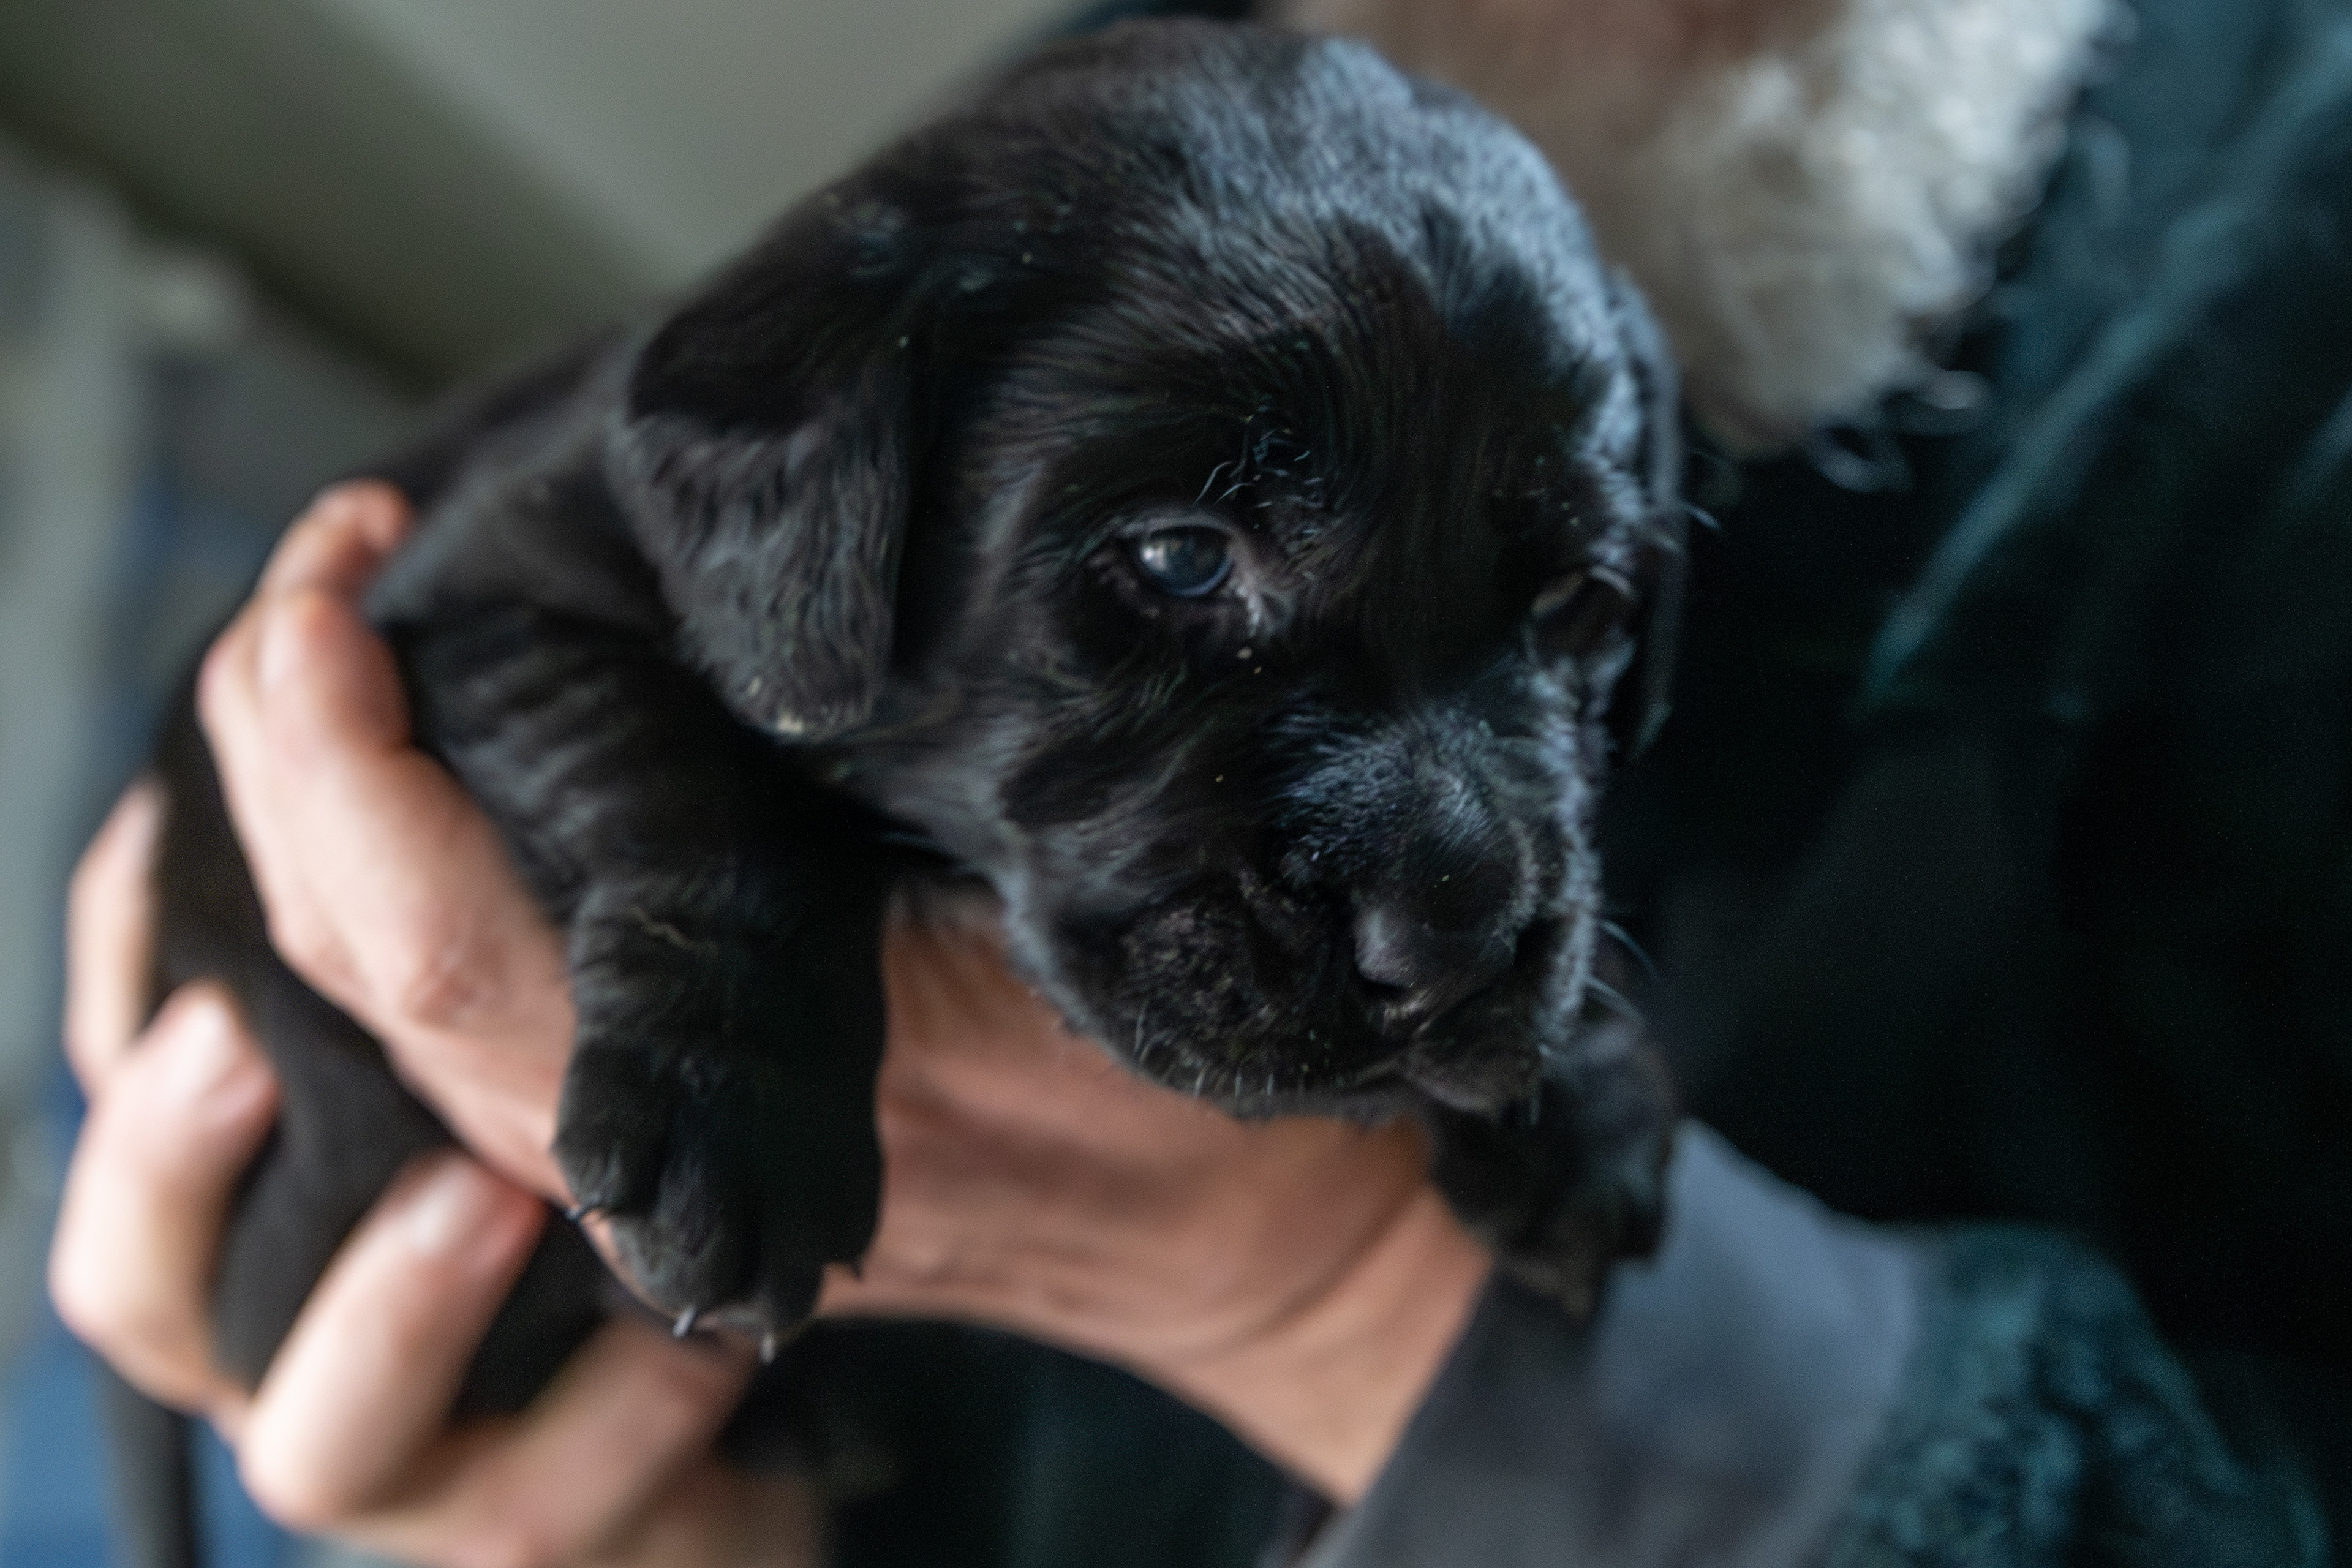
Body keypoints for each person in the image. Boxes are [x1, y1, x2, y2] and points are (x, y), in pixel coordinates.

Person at [50, 0, 2352, 1559]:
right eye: (1177, 567)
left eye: (1571, 618)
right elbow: (594, 611)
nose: (1442, 889)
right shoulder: (1077, 148)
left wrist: (1343, 1289)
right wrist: (702, 965)